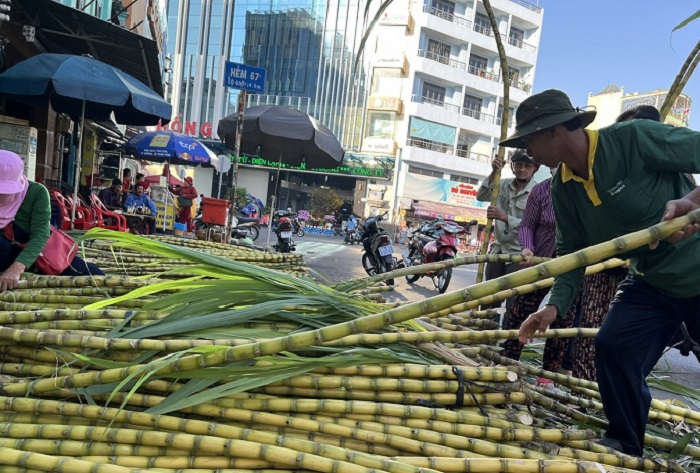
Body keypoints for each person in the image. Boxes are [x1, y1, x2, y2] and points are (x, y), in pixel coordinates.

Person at [502, 89, 700, 456]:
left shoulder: (633, 137)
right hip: (650, 280)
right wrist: (553, 307)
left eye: (530, 139)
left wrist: (691, 202)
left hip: (696, 269)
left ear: (556, 130)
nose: (528, 151)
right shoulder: (562, 185)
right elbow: (572, 252)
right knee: (613, 345)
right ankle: (625, 443)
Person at [0, 150, 104, 291]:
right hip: (4, 255)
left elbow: (40, 234)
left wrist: (17, 268)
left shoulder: (36, 192)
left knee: (98, 279)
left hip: (41, 253)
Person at [476, 149, 539, 312]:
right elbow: (481, 195)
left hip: (520, 255)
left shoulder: (538, 191)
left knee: (514, 303)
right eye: (518, 164)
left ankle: (508, 336)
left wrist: (505, 217)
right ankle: (484, 335)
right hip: (498, 251)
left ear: (535, 169)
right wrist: (494, 172)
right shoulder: (502, 184)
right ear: (512, 166)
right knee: (489, 300)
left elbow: (535, 226)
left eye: (527, 166)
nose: (522, 169)